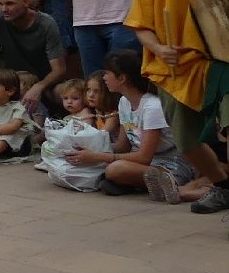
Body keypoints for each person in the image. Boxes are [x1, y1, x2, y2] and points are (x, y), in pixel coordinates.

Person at [123, 0, 229, 208]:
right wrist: (159, 48)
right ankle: (223, 187)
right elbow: (140, 25)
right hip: (177, 65)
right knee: (186, 141)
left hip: (223, 61)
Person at [69, 51, 195, 201]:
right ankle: (143, 184)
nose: (104, 78)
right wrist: (86, 147)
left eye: (107, 73)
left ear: (122, 78)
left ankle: (169, 182)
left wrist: (96, 156)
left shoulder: (151, 106)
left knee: (114, 169)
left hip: (169, 163)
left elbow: (144, 157)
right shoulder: (124, 102)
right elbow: (122, 146)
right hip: (140, 162)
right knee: (102, 168)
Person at [0, 0, 68, 118]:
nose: (4, 9)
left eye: (10, 4)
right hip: (14, 83)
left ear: (26, 2)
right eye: (0, 4)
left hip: (44, 82)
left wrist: (38, 87)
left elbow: (59, 70)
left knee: (65, 93)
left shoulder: (46, 23)